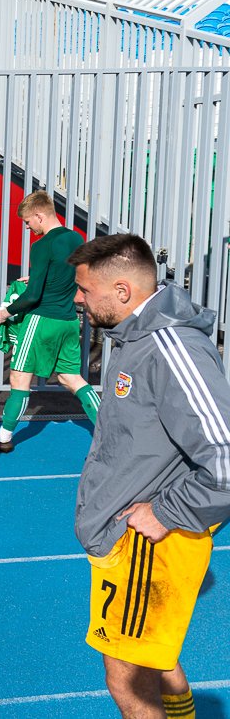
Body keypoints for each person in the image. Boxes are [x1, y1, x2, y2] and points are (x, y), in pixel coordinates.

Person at [68, 233, 230, 719]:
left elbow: (225, 459)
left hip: (148, 543)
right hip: (128, 541)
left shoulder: (171, 346)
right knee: (156, 660)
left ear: (122, 291)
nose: (77, 299)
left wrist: (166, 511)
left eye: (84, 289)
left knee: (127, 681)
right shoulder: (133, 337)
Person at [0, 191, 99, 452]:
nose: (28, 228)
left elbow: (32, 296)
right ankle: (111, 431)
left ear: (40, 215)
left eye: (28, 222)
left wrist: (3, 313)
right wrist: (39, 278)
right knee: (72, 378)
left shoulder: (41, 246)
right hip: (68, 321)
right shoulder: (76, 238)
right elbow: (68, 277)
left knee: (19, 378)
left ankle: (3, 438)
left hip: (41, 321)